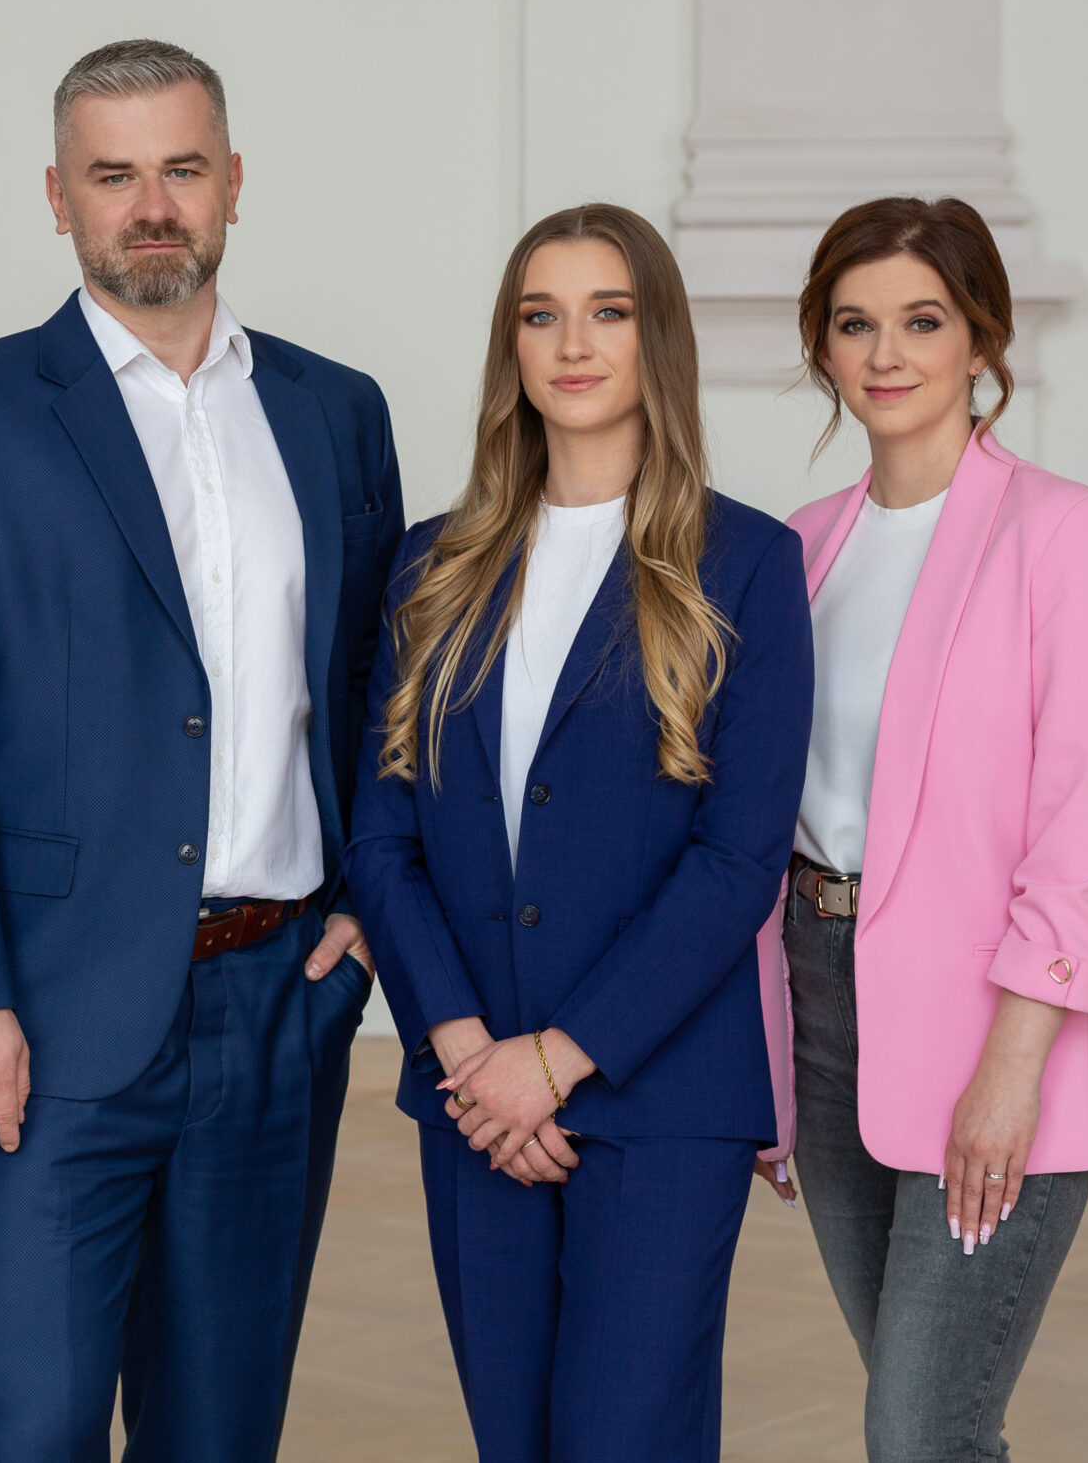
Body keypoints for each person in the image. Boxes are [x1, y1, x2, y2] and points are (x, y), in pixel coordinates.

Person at [0, 38, 405, 1462]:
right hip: (39, 1013)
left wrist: (362, 910)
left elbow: (368, 684)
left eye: (181, 169)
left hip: (277, 1001)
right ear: (58, 197)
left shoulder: (334, 410)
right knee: (31, 1426)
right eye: (113, 176)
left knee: (218, 1430)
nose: (151, 206)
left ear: (233, 182)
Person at [344, 204, 814, 1462]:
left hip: (661, 1095)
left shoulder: (747, 564)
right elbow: (382, 840)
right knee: (513, 1439)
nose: (572, 343)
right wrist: (468, 1055)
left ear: (657, 337)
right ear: (510, 346)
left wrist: (554, 1061)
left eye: (608, 311)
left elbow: (737, 863)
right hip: (471, 1095)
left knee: (624, 1438)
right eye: (539, 314)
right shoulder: (430, 567)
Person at [754, 196, 1088, 1460]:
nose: (885, 354)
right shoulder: (797, 551)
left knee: (921, 1430)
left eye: (922, 322)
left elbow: (1083, 832)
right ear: (820, 345)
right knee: (934, 1423)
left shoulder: (1067, 535)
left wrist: (1010, 1068)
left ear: (982, 340)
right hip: (821, 1006)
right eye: (853, 323)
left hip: (992, 1026)